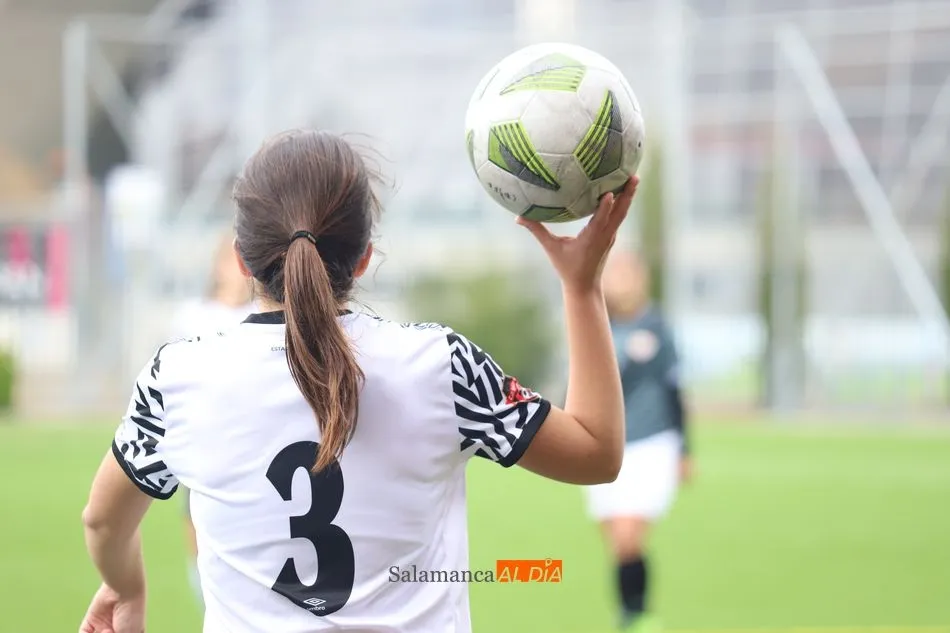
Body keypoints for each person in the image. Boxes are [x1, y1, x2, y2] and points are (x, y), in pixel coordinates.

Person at [79, 129, 639, 633]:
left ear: (242, 261)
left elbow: (102, 521)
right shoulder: (441, 366)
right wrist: (582, 287)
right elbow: (596, 453)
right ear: (365, 257)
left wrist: (126, 586)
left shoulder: (176, 379)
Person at [586, 250, 692, 632]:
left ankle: (639, 616)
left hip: (651, 444)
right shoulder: (597, 325)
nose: (622, 280)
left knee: (629, 535)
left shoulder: (657, 327)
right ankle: (629, 614)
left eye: (629, 272)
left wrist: (685, 449)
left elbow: (675, 390)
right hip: (604, 446)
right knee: (617, 541)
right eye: (616, 273)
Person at [169, 231, 255, 608]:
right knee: (200, 539)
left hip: (250, 449)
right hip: (206, 447)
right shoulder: (194, 317)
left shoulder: (260, 317)